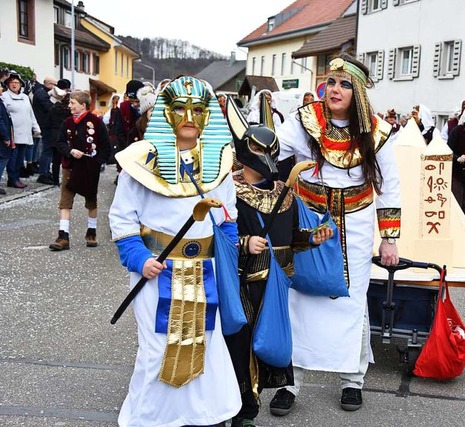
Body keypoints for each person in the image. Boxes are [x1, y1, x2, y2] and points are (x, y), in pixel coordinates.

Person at [269, 53, 401, 415]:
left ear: (357, 92)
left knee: (352, 301)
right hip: (309, 222)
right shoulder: (304, 121)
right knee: (299, 297)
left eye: (345, 84)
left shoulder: (376, 132)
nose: (335, 89)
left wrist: (389, 238)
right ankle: (288, 384)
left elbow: (389, 187)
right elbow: (270, 150)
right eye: (331, 81)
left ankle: (352, 381)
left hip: (356, 227)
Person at [109, 76, 241, 427]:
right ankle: (150, 419)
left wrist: (229, 257)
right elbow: (122, 219)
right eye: (179, 109)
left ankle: (204, 415)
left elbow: (228, 217)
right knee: (158, 348)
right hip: (157, 271)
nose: (188, 116)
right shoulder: (139, 162)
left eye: (197, 109)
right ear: (165, 114)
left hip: (205, 271)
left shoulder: (220, 164)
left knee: (207, 346)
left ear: (207, 116)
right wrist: (139, 259)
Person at [224, 94, 333, 427]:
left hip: (276, 284)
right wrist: (244, 242)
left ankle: (250, 405)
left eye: (271, 151)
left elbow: (289, 241)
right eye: (259, 151)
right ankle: (240, 410)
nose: (267, 158)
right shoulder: (229, 193)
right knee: (239, 349)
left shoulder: (286, 196)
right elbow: (218, 239)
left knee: (265, 348)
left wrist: (310, 238)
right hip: (244, 285)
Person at [48, 91, 110, 250]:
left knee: (91, 200)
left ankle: (91, 232)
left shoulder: (96, 122)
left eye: (72, 103)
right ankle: (63, 236)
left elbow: (105, 145)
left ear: (83, 105)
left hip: (89, 167)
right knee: (65, 201)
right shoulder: (67, 122)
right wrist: (70, 151)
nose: (69, 105)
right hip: (70, 166)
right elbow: (60, 143)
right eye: (69, 103)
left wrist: (98, 162)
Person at [1, 71, 40, 189]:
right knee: (12, 158)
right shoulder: (4, 96)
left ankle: (16, 177)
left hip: (25, 132)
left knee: (20, 158)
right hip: (13, 133)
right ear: (8, 84)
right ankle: (13, 178)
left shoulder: (25, 97)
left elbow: (30, 113)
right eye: (12, 82)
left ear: (20, 85)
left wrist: (36, 127)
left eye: (17, 82)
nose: (14, 84)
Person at [30, 76, 57, 176]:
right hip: (44, 124)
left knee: (47, 149)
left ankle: (45, 171)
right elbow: (49, 107)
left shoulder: (43, 93)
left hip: (46, 124)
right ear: (50, 84)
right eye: (55, 85)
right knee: (47, 149)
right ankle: (43, 173)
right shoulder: (41, 93)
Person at [0, 85, 13, 195]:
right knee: (3, 159)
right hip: (1, 138)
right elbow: (0, 121)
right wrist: (6, 137)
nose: (2, 89)